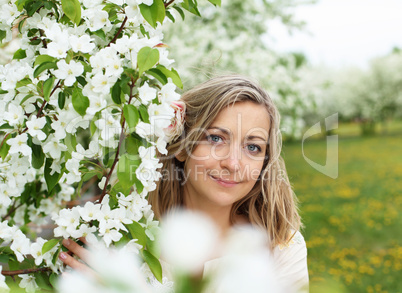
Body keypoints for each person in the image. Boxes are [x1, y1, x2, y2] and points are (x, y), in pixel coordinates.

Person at [60, 75, 309, 292]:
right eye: (215, 138)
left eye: (253, 147)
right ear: (180, 146)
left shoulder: (282, 248)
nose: (233, 163)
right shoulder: (121, 237)